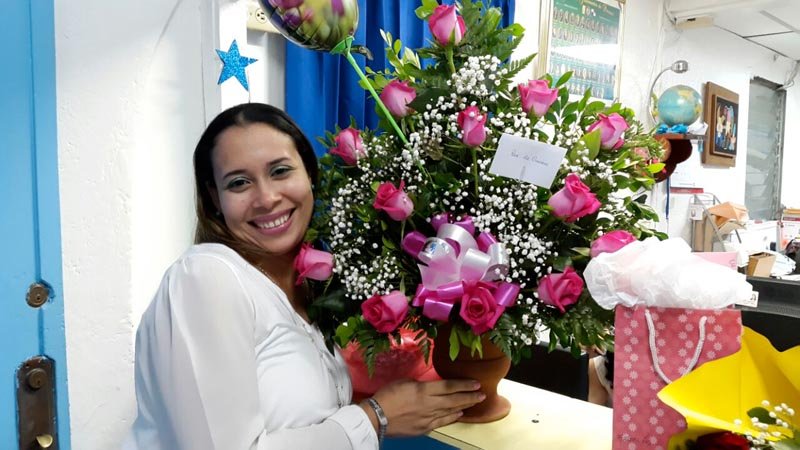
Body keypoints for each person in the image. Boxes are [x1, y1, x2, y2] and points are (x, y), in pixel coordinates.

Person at [123, 103, 485, 450]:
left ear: (309, 173)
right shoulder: (205, 277)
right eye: (239, 183)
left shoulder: (303, 288)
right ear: (214, 198)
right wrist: (374, 418)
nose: (267, 198)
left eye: (280, 171)